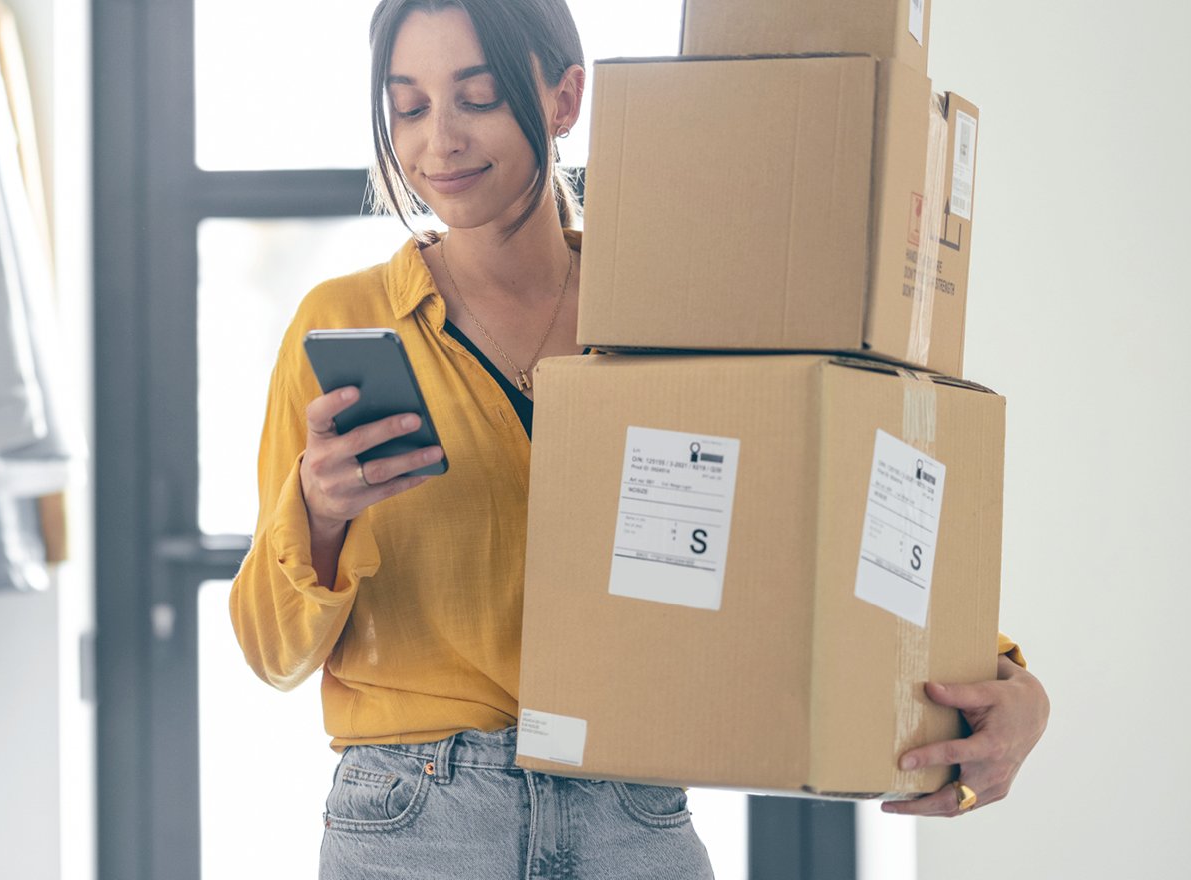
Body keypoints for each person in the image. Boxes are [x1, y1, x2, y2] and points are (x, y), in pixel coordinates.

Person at [229, 0, 1051, 876]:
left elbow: (825, 500)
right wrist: (317, 515)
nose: (440, 143)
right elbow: (272, 655)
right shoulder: (344, 323)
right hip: (416, 819)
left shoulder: (670, 304)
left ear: (564, 98)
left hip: (631, 815)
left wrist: (1009, 681)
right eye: (409, 106)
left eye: (476, 98)